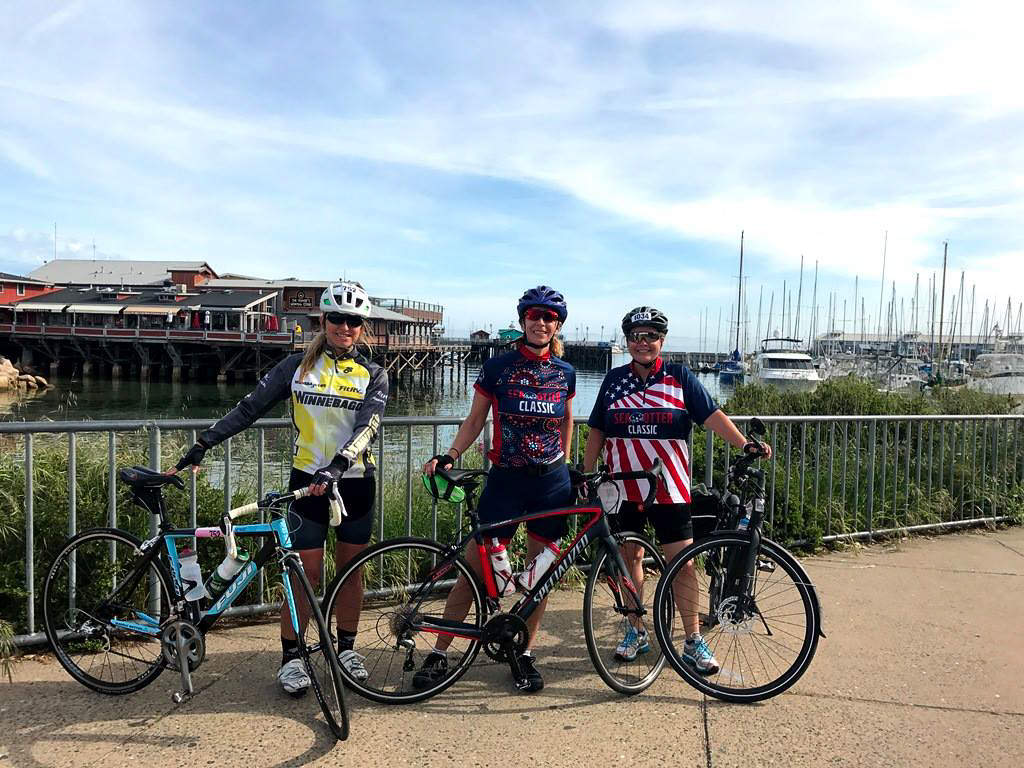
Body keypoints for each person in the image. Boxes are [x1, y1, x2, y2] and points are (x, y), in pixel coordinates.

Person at [176, 281, 388, 695]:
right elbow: (249, 408)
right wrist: (205, 442)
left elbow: (369, 427)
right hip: (306, 483)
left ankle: (346, 649)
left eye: (354, 321)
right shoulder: (296, 367)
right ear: (323, 321)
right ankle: (293, 657)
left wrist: (339, 466)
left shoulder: (373, 374)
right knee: (301, 574)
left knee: (351, 572)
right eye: (338, 319)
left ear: (362, 327)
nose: (345, 327)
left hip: (355, 484)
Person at [583, 306, 772, 675]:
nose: (643, 343)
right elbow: (597, 429)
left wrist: (742, 444)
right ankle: (636, 630)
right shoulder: (614, 380)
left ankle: (691, 640)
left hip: (669, 489)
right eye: (636, 336)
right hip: (623, 489)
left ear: (661, 340)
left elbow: (711, 415)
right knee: (629, 561)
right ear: (627, 341)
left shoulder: (680, 377)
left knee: (682, 565)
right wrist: (586, 473)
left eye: (650, 336)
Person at [421, 286, 575, 693]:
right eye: (533, 315)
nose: (540, 322)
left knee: (540, 575)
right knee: (472, 569)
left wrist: (570, 465)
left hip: (551, 484)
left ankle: (523, 653)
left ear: (556, 324)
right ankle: (440, 652)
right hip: (504, 480)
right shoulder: (498, 368)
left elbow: (567, 422)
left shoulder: (565, 372)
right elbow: (475, 421)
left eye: (548, 317)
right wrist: (451, 453)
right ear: (523, 319)